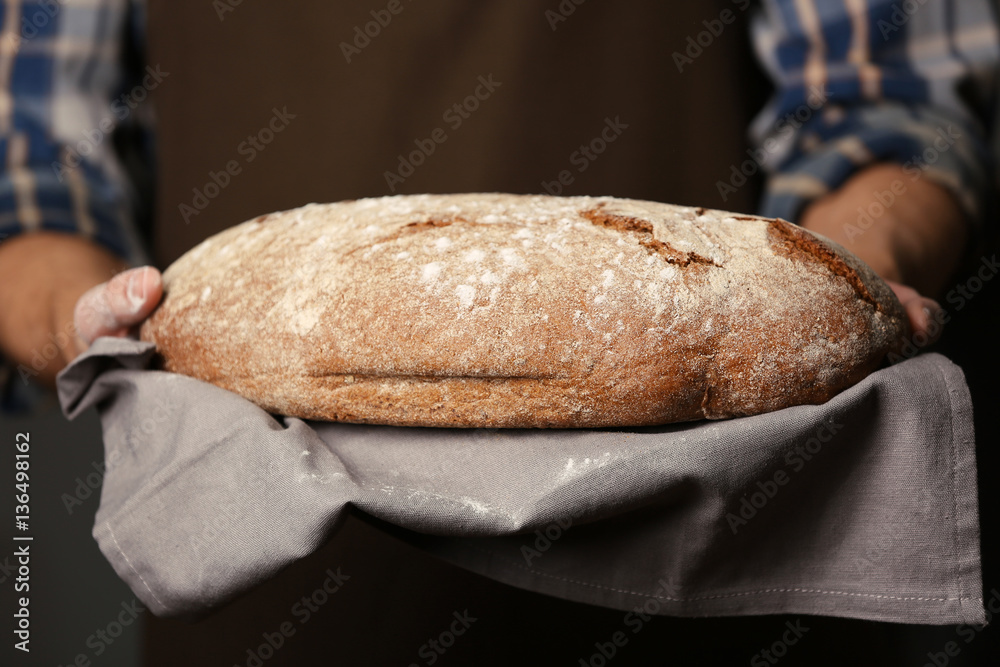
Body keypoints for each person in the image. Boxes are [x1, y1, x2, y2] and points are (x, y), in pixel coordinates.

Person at [0, 0, 996, 664]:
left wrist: (847, 290)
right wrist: (98, 331)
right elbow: (27, 170)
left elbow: (895, 107)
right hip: (268, 602)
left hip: (724, 564)